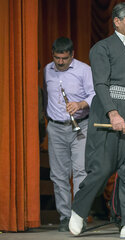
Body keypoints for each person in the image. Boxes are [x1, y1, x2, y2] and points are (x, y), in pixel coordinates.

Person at [69, 2, 125, 239]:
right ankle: (78, 210)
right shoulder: (102, 48)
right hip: (108, 113)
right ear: (116, 22)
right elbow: (100, 84)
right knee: (102, 169)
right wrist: (113, 113)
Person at [43, 37, 95, 232]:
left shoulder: (84, 70)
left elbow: (94, 94)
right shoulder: (48, 70)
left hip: (81, 126)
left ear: (72, 55)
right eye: (57, 58)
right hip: (56, 128)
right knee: (58, 175)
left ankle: (78, 215)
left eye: (64, 58)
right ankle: (65, 216)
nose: (60, 62)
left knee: (80, 171)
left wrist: (80, 104)